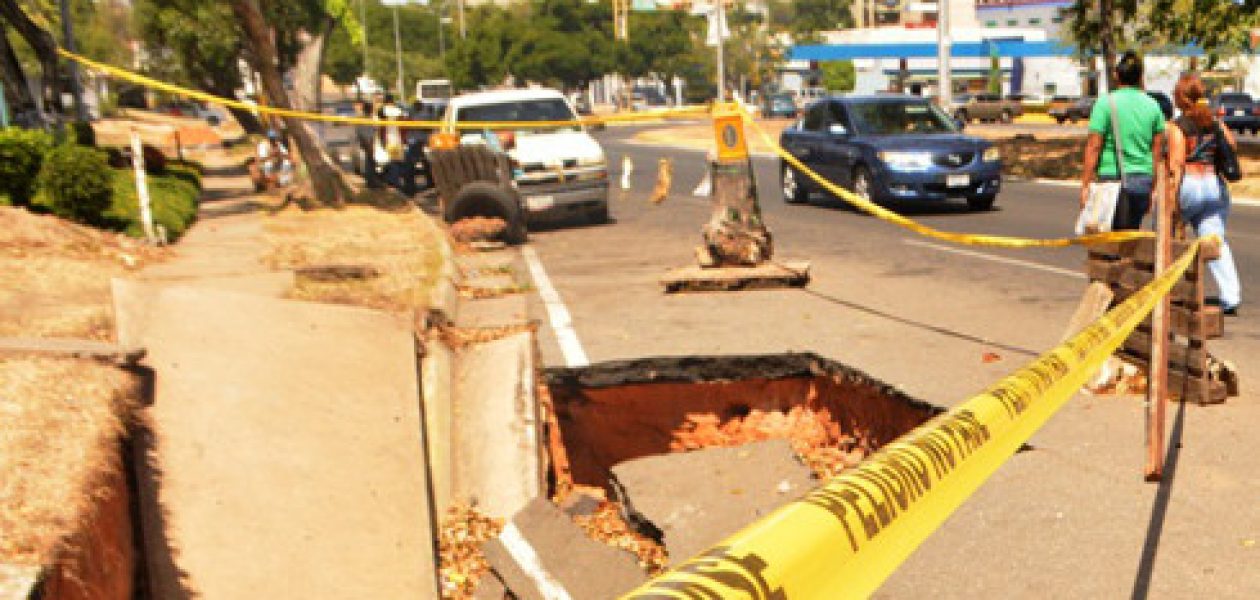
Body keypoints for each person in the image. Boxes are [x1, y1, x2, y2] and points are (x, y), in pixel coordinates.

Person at [1169, 73, 1242, 315]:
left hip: (1190, 182)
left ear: (1181, 98)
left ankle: (1171, 291)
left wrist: (1172, 201)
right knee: (1214, 240)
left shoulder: (1178, 126)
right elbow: (1231, 145)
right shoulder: (1215, 122)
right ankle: (1230, 296)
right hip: (1213, 183)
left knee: (1170, 239)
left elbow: (1176, 164)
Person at [1080, 51, 1166, 230]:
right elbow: (1156, 152)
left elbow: (1094, 146)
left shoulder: (1105, 104)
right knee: (1129, 238)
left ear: (1117, 75)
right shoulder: (1153, 106)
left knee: (1107, 243)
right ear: (1141, 77)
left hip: (1113, 180)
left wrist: (1086, 184)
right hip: (1143, 180)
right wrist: (1153, 189)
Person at [355, 100, 382, 188]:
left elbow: (374, 130)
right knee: (370, 161)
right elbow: (363, 132)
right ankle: (371, 181)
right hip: (367, 142)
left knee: (370, 161)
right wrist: (368, 144)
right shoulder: (366, 119)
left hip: (368, 141)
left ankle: (371, 180)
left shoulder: (369, 118)